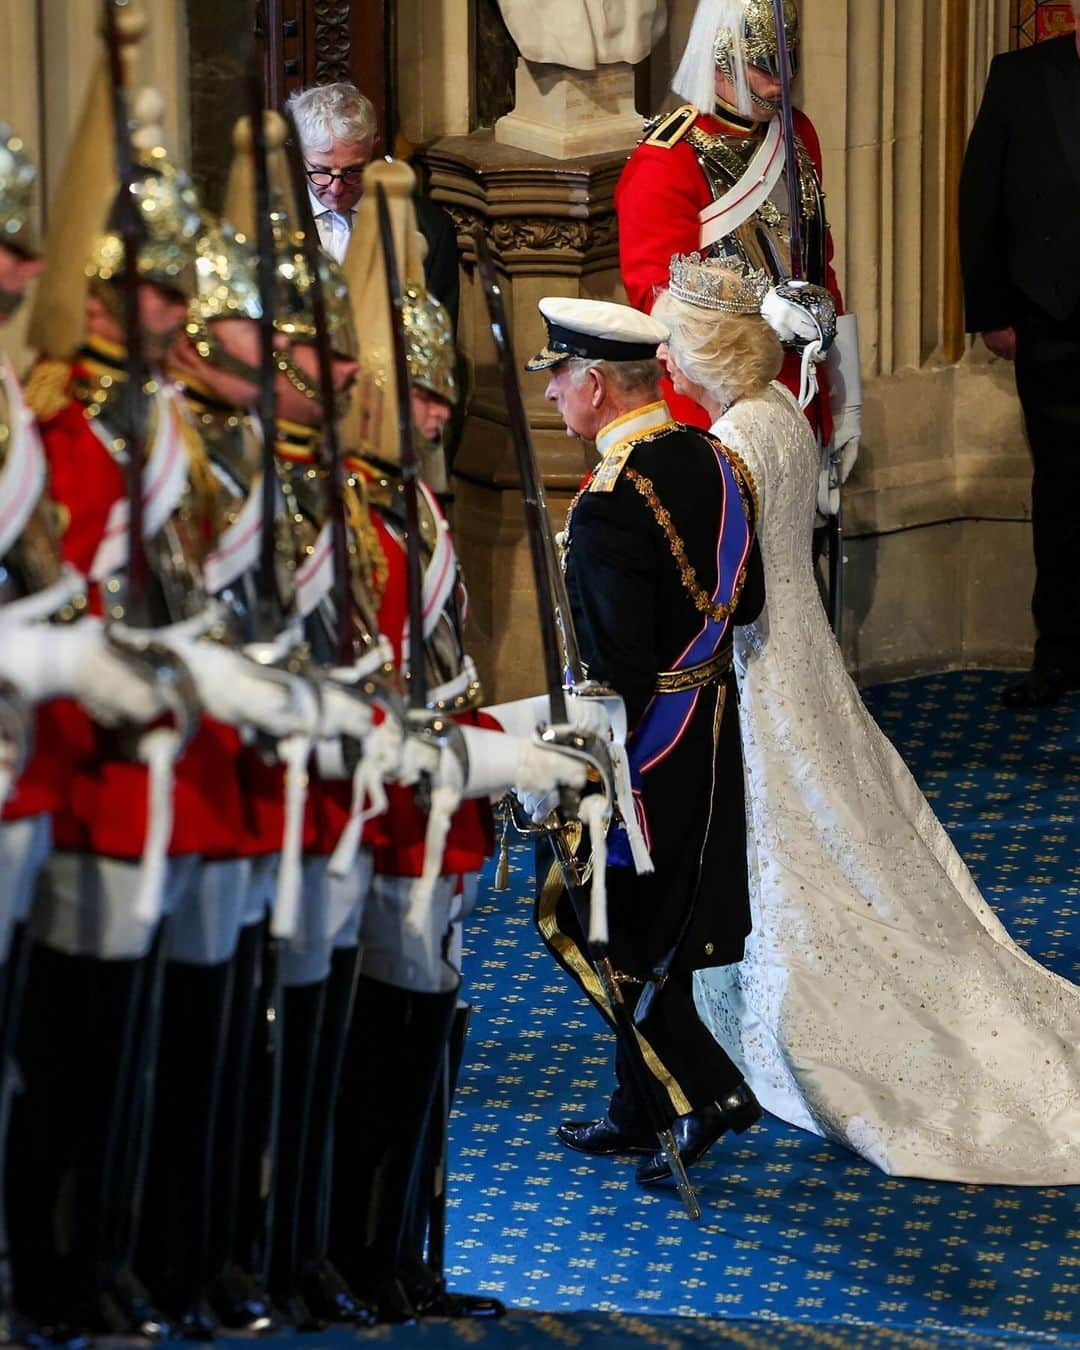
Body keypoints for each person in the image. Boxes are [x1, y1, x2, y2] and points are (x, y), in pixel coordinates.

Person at [653, 252, 1080, 1186]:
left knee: (780, 841)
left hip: (762, 670)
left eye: (672, 344)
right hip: (812, 661)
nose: (665, 361)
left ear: (704, 352)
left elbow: (729, 590)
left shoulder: (726, 446)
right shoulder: (780, 419)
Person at [526, 294, 767, 1187]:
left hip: (641, 747)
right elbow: (745, 606)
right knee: (655, 927)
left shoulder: (607, 503)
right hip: (709, 729)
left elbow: (615, 668)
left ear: (594, 383)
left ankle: (711, 1090)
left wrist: (558, 756)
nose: (552, 398)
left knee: (592, 924)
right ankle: (639, 1111)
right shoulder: (717, 460)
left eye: (557, 378)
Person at [959, 9, 1080, 708]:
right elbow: (982, 198)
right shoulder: (1021, 76)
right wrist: (991, 313)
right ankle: (1059, 655)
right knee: (1063, 495)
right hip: (1051, 323)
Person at [284, 81, 460, 329]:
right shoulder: (273, 222)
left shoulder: (431, 227)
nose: (336, 188)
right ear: (299, 154)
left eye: (352, 171)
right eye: (321, 171)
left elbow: (439, 335)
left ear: (374, 147)